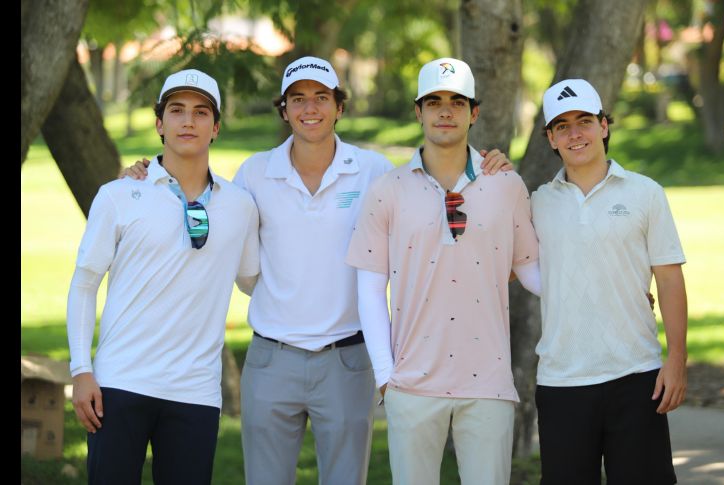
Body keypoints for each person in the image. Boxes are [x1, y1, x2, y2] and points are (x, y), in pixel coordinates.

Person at [123, 56, 514, 485]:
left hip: (347, 361)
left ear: (339, 107)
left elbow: (427, 228)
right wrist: (147, 172)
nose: (310, 108)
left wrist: (489, 166)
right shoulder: (255, 173)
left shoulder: (375, 172)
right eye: (298, 99)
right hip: (271, 360)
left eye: (321, 98)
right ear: (284, 109)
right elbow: (240, 263)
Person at [345, 57, 542, 485]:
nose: (445, 110)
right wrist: (386, 377)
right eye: (433, 101)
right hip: (411, 383)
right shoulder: (387, 190)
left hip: (488, 381)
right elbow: (370, 288)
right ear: (418, 112)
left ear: (474, 112)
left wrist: (611, 290)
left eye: (457, 101)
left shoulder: (507, 185)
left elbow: (533, 274)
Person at [67, 69, 260, 484]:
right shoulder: (119, 194)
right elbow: (84, 283)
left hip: (195, 392)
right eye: (176, 110)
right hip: (119, 384)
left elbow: (252, 280)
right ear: (159, 123)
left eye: (200, 112)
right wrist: (81, 370)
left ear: (216, 127)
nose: (188, 121)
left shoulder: (241, 206)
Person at [531, 78, 688, 485]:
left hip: (637, 377)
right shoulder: (535, 202)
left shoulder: (645, 193)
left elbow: (669, 281)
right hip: (562, 382)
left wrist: (676, 362)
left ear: (604, 125)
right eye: (562, 126)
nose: (575, 133)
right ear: (550, 138)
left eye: (584, 120)